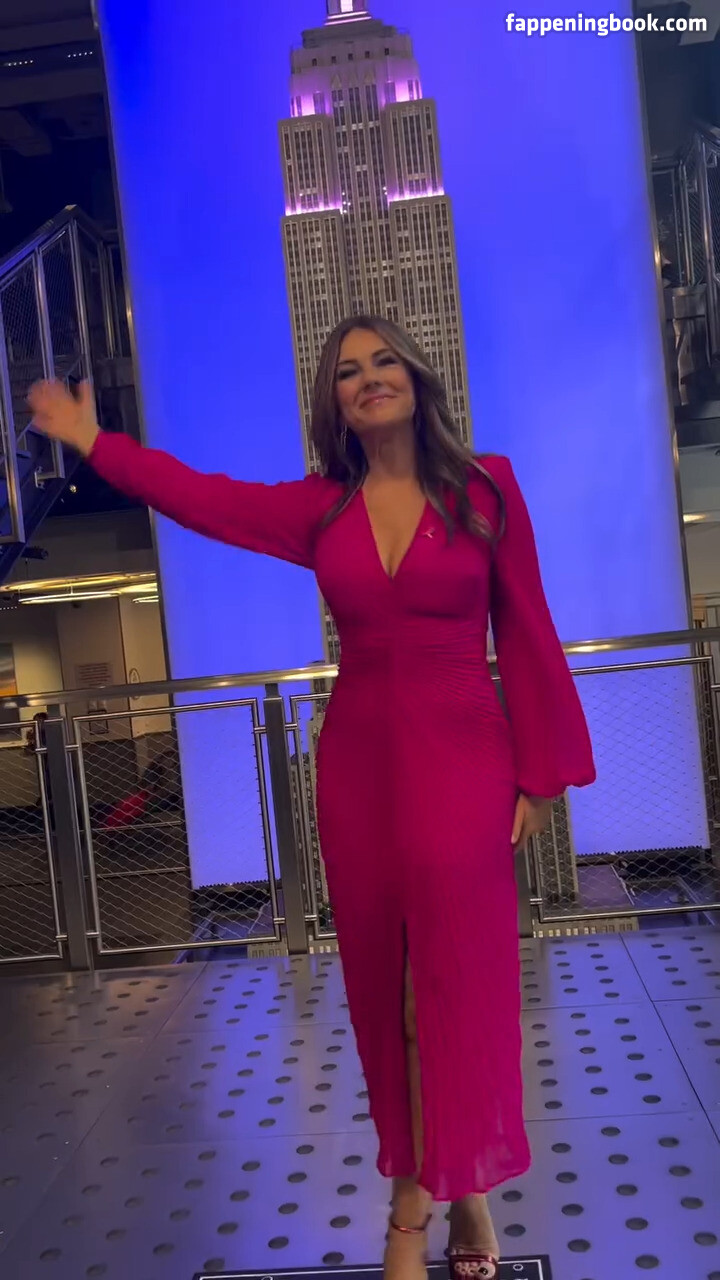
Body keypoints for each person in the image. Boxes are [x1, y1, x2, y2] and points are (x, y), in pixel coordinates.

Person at [28, 317, 595, 1280]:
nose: (369, 378)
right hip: (360, 768)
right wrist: (95, 443)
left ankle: (423, 1207)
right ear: (335, 404)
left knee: (451, 986)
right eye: (347, 372)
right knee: (384, 985)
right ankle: (448, 1189)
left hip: (464, 758)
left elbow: (527, 624)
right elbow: (204, 499)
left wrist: (540, 774)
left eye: (384, 362)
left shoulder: (485, 487)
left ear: (415, 377)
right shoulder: (322, 509)